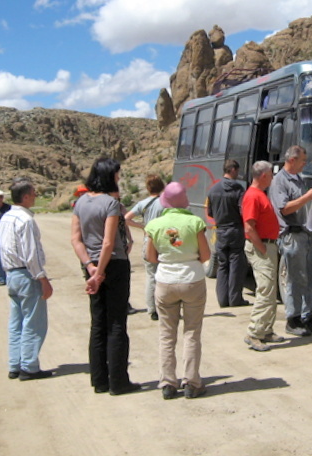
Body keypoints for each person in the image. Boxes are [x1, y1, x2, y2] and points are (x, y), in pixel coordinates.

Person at [71, 158, 141, 396]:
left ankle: (99, 380)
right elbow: (109, 242)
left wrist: (90, 268)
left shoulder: (80, 202)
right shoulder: (110, 203)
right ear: (110, 175)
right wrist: (100, 272)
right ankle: (119, 381)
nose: (119, 178)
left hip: (91, 267)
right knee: (116, 324)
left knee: (97, 324)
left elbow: (76, 239)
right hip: (114, 267)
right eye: (117, 175)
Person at [145, 182, 210, 399]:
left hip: (165, 281)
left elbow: (151, 257)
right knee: (192, 333)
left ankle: (168, 383)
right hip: (192, 279)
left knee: (166, 334)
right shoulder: (195, 222)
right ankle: (191, 382)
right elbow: (206, 254)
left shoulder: (155, 225)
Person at [268, 145, 312, 337]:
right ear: (292, 160)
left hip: (308, 232)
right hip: (292, 235)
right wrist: (307, 197)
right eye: (303, 160)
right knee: (296, 278)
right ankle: (292, 319)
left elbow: (303, 204)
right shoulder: (279, 181)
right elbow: (284, 208)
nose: (305, 163)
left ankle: (306, 316)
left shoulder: (299, 180)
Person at [0, 178, 53, 380]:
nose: (36, 197)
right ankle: (29, 366)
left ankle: (15, 363)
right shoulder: (26, 220)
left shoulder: (5, 218)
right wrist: (42, 278)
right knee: (33, 322)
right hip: (26, 274)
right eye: (34, 193)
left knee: (16, 321)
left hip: (12, 274)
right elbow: (31, 255)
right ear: (26, 196)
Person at [242, 161, 285, 352]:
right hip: (263, 247)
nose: (273, 178)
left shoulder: (259, 194)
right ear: (264, 176)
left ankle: (266, 329)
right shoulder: (253, 196)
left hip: (268, 245)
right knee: (266, 289)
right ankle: (255, 332)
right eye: (271, 174)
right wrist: (262, 248)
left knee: (270, 288)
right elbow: (249, 227)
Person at [206, 159, 250, 308]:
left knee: (223, 265)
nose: (238, 174)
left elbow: (210, 212)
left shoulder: (213, 189)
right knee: (236, 265)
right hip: (235, 230)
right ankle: (235, 299)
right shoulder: (238, 189)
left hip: (220, 230)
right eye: (237, 171)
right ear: (232, 170)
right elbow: (242, 211)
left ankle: (223, 300)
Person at [125, 174, 166, 320]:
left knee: (151, 276)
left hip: (148, 242)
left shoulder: (143, 204)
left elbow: (126, 218)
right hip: (164, 243)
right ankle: (165, 307)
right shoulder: (165, 203)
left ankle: (152, 309)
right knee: (165, 276)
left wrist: (141, 226)